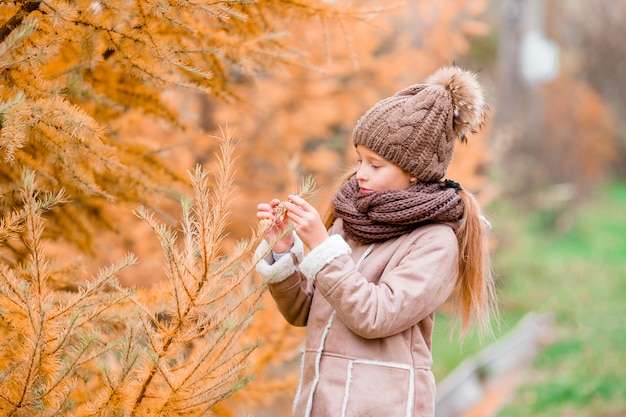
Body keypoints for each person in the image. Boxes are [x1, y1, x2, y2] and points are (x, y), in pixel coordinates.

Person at [254, 65, 498, 417]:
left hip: (384, 406)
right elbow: (306, 312)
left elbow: (376, 315)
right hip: (321, 404)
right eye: (359, 159)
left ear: (413, 170)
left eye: (375, 164)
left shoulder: (435, 241)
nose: (360, 173)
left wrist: (322, 248)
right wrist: (284, 254)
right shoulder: (352, 220)